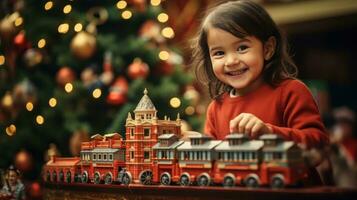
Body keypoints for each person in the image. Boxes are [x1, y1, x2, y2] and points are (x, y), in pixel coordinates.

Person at [191, 0, 329, 183]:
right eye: (219, 53)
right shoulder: (216, 107)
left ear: (268, 49)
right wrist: (195, 143)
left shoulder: (292, 92)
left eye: (242, 48)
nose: (231, 60)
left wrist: (269, 132)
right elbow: (213, 162)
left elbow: (318, 146)